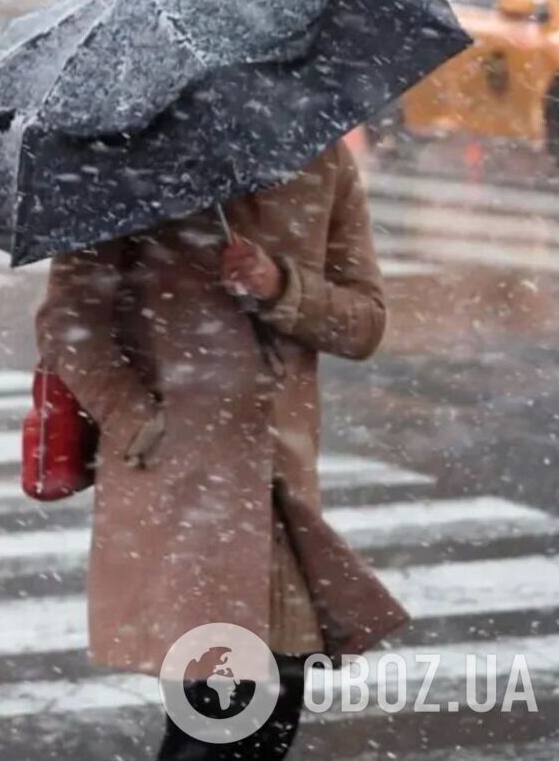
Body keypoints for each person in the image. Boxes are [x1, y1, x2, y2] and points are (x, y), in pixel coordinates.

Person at [35, 143, 407, 761]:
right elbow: (69, 323)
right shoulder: (128, 162)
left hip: (284, 501)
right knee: (217, 718)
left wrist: (280, 285)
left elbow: (365, 322)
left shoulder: (322, 159)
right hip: (185, 494)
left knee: (272, 715)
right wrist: (145, 426)